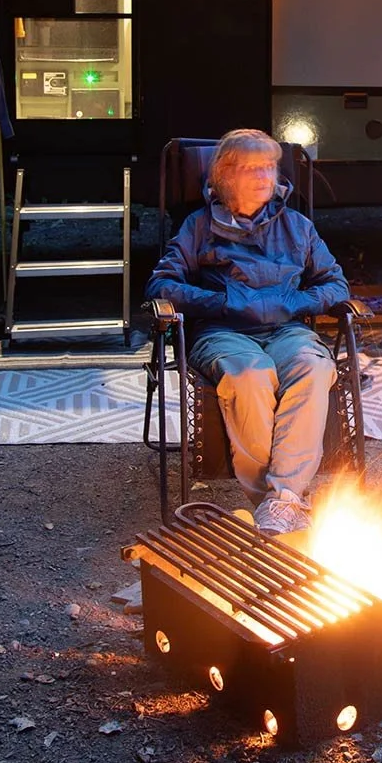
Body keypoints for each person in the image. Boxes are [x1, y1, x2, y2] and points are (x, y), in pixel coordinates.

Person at [146, 129, 351, 535]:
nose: (264, 177)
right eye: (252, 169)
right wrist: (222, 302)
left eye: (269, 167)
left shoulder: (297, 226)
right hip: (223, 330)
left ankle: (282, 500)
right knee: (250, 375)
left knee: (314, 370)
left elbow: (336, 284)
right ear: (224, 175)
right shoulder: (198, 227)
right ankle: (275, 500)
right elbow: (161, 286)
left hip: (286, 328)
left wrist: (295, 303)